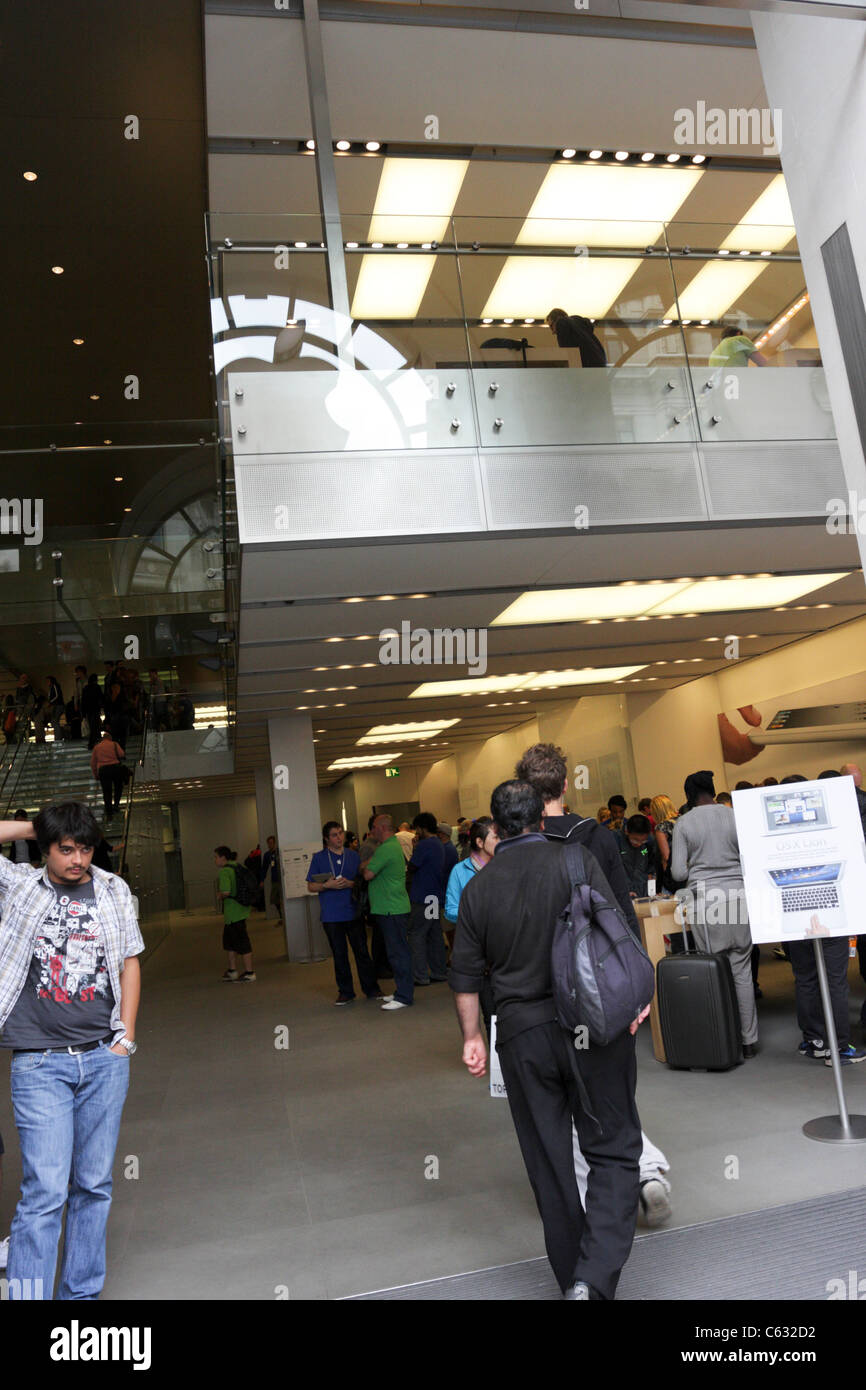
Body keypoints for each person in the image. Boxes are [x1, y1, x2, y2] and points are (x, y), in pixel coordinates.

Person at [450, 779, 646, 1301]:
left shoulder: (477, 889)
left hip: (521, 1038)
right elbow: (617, 931)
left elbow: (465, 977)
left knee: (549, 1163)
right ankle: (593, 1278)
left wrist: (473, 1037)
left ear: (494, 828)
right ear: (542, 816)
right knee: (614, 1148)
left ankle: (574, 1281)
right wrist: (639, 995)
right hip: (592, 1025)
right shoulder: (575, 861)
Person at [516, 742, 672, 1228]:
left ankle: (594, 1201)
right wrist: (638, 989)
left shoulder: (520, 846)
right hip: (600, 985)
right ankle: (644, 1169)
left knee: (566, 1100)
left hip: (544, 989)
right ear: (566, 785)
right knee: (611, 1087)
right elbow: (621, 916)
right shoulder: (598, 839)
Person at [0, 801, 143, 1300]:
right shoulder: (19, 885)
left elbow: (129, 961)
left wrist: (124, 1039)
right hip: (40, 1062)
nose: (77, 859)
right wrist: (36, 824)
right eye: (65, 848)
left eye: (84, 848)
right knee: (43, 1193)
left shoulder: (112, 889)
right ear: (46, 848)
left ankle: (79, 1298)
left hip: (104, 1057)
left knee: (94, 1186)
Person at [670, 770, 758, 1058]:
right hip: (738, 897)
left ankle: (725, 1039)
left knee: (715, 972)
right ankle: (749, 1040)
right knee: (742, 970)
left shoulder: (684, 823)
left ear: (689, 795)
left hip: (706, 901)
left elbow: (679, 871)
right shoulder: (734, 816)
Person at [307, 822, 380, 1005]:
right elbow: (310, 885)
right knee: (340, 955)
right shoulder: (319, 858)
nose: (339, 838)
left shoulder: (354, 856)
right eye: (334, 835)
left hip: (353, 912)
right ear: (326, 838)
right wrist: (326, 885)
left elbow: (364, 881)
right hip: (331, 916)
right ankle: (346, 992)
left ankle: (371, 988)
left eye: (340, 833)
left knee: (362, 952)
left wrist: (351, 884)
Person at [443, 815, 497, 1013]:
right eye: (496, 837)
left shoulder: (503, 866)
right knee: (490, 1013)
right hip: (477, 955)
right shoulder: (460, 871)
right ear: (479, 842)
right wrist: (477, 917)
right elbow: (450, 910)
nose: (501, 842)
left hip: (504, 951)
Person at [362, 814, 414, 1010]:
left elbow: (367, 874)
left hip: (392, 908)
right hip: (392, 907)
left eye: (374, 827)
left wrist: (365, 864)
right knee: (397, 951)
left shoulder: (385, 849)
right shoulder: (392, 847)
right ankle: (402, 990)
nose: (372, 830)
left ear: (382, 828)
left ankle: (404, 996)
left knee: (398, 953)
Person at [406, 813, 448, 987]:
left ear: (422, 827)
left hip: (422, 896)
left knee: (417, 934)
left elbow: (412, 866)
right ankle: (439, 971)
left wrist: (414, 848)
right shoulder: (438, 843)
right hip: (433, 895)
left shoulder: (424, 845)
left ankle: (420, 975)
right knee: (434, 934)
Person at [214, 846, 255, 982]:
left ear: (223, 858)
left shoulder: (224, 871)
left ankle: (250, 973)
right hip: (241, 910)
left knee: (242, 942)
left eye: (216, 857)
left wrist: (219, 895)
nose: (215, 860)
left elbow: (226, 892)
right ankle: (232, 970)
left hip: (233, 913)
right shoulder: (236, 866)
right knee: (230, 942)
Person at [614, 814, 660, 898]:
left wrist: (651, 888)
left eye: (643, 841)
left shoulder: (650, 842)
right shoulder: (615, 840)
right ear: (627, 831)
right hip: (624, 892)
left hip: (643, 891)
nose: (639, 844)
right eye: (635, 840)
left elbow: (651, 867)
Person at [90, 730, 126, 820]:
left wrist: (95, 774)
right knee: (118, 787)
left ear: (102, 739)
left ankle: (108, 810)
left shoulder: (97, 747)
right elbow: (122, 754)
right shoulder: (114, 744)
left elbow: (93, 763)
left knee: (107, 791)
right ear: (110, 738)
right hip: (115, 768)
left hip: (103, 770)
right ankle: (116, 805)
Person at [649, 794, 682, 893]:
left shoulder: (661, 828)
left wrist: (668, 881)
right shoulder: (684, 820)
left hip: (674, 874)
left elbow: (666, 857)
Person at [33, 675, 64, 744]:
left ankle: (58, 738)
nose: (47, 682)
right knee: (54, 721)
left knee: (55, 721)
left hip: (57, 705)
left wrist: (50, 702)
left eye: (47, 681)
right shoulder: (51, 688)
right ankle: (58, 737)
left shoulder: (54, 686)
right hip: (56, 705)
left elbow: (57, 695)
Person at [260, 835, 283, 923]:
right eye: (268, 843)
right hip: (275, 880)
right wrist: (262, 880)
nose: (270, 845)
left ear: (275, 843)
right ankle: (281, 917)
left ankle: (284, 918)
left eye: (271, 843)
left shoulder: (279, 852)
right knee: (274, 899)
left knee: (282, 899)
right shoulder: (267, 855)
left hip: (282, 880)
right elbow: (264, 868)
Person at [80, 673, 104, 749]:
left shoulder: (86, 688)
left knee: (92, 726)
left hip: (88, 710)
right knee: (96, 726)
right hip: (95, 709)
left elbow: (83, 701)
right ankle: (95, 741)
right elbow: (101, 698)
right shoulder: (97, 687)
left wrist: (83, 713)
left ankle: (92, 743)